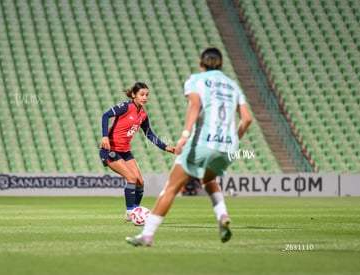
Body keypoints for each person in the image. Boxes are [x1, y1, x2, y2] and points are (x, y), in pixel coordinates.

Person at [126, 47, 252, 246]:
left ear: (201, 64)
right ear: (221, 64)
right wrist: (233, 141)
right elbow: (247, 119)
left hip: (203, 142)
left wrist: (184, 135)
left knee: (170, 188)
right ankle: (222, 216)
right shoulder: (233, 85)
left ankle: (147, 235)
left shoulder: (196, 80)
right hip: (227, 146)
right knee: (209, 178)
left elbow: (194, 105)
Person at [99, 82, 175, 222]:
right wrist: (105, 136)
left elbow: (149, 134)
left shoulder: (143, 115)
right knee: (131, 178)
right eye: (142, 94)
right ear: (133, 95)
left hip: (125, 151)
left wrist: (166, 147)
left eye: (147, 95)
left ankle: (135, 211)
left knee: (140, 182)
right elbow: (105, 115)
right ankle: (129, 213)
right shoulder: (126, 107)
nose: (145, 97)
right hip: (110, 150)